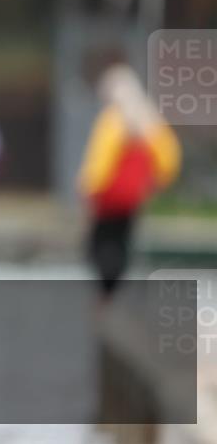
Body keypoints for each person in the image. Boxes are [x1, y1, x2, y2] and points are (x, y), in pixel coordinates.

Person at [77, 62, 181, 299]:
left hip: (108, 199)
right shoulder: (150, 121)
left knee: (100, 245)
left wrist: (87, 188)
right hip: (132, 198)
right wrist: (157, 182)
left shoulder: (113, 121)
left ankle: (106, 296)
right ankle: (116, 292)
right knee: (122, 242)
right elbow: (169, 158)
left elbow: (99, 161)